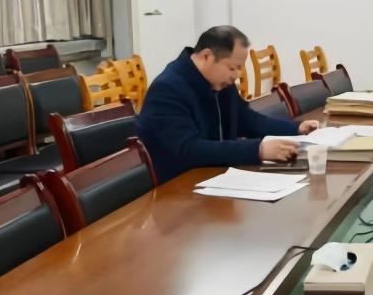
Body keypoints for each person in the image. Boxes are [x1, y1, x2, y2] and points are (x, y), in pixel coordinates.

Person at [136, 26, 318, 183]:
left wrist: (296, 128)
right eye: (232, 68)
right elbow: (188, 150)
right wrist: (258, 150)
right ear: (206, 56)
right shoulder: (168, 89)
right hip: (178, 188)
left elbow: (245, 119)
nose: (236, 75)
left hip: (216, 177)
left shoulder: (220, 82)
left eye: (240, 68)